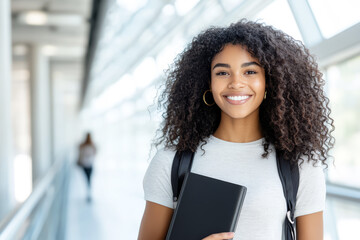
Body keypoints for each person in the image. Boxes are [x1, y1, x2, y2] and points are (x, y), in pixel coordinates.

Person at [138, 20, 334, 240]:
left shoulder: (300, 163)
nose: (236, 83)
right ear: (207, 83)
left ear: (270, 81)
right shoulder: (171, 160)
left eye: (250, 72)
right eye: (222, 73)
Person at [77, 132, 97, 203]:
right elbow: (95, 154)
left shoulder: (83, 146)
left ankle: (88, 193)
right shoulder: (92, 145)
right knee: (89, 179)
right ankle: (89, 193)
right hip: (90, 164)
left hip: (84, 164)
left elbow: (80, 154)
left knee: (87, 178)